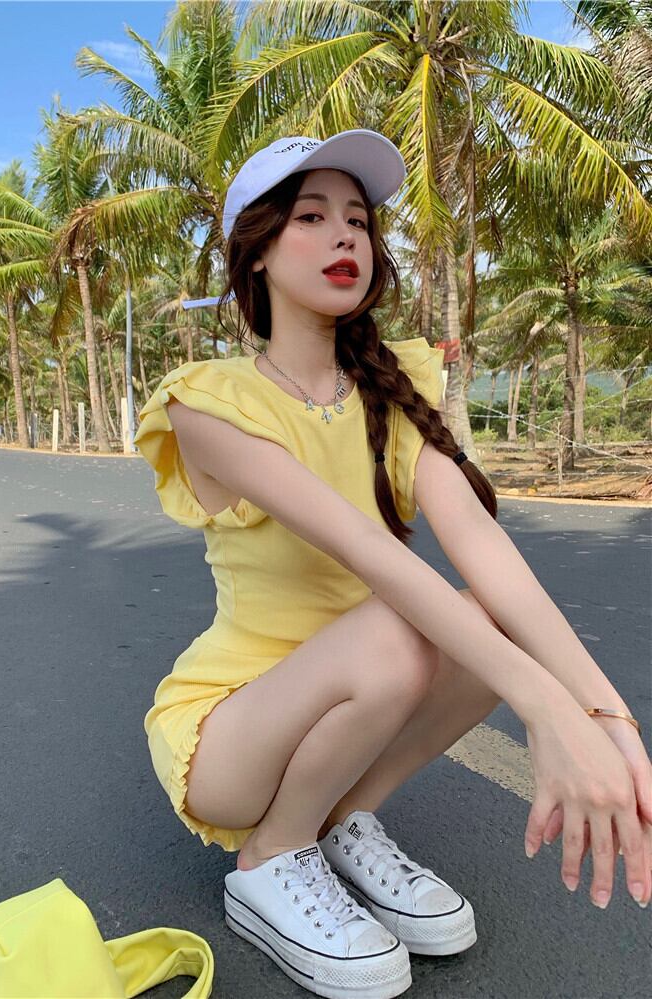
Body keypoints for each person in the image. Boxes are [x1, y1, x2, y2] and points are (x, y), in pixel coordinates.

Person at [134, 130, 651, 999]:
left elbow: (482, 544)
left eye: (358, 220)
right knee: (402, 626)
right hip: (230, 733)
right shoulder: (207, 403)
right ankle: (272, 854)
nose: (345, 234)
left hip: (360, 686)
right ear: (256, 252)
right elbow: (369, 551)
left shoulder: (392, 388)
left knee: (477, 615)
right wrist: (543, 708)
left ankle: (341, 817)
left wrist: (606, 716)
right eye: (310, 216)